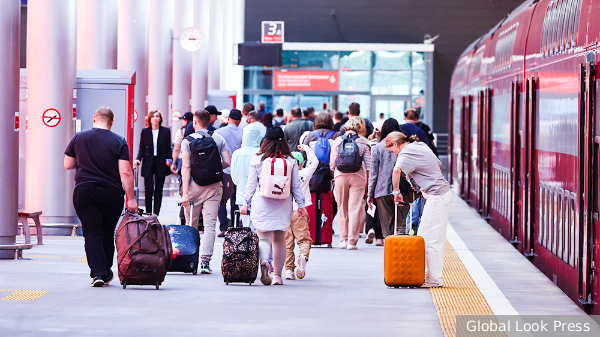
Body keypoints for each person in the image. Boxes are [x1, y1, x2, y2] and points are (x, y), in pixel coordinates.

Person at [64, 106, 137, 287]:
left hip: (85, 191)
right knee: (107, 232)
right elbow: (125, 172)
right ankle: (105, 272)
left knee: (91, 232)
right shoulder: (119, 141)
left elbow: (67, 164)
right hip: (112, 193)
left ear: (94, 118)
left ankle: (98, 273)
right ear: (111, 122)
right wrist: (131, 199)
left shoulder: (79, 137)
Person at [240, 127, 307, 285]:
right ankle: (277, 275)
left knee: (263, 238)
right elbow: (296, 186)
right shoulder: (290, 161)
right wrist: (302, 205)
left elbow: (250, 184)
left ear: (266, 141)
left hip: (261, 202)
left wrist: (245, 203)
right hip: (283, 204)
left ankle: (264, 262)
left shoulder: (258, 159)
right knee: (279, 240)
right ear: (283, 141)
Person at [386, 131, 451, 287]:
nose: (394, 155)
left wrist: (396, 192)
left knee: (427, 238)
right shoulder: (419, 145)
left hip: (437, 196)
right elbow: (438, 163)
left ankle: (433, 279)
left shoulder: (406, 152)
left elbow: (396, 171)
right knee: (432, 237)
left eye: (392, 151)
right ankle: (431, 276)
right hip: (440, 194)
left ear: (395, 144)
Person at [181, 110, 231, 274]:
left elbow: (186, 167)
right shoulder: (218, 138)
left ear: (194, 122)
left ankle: (191, 261)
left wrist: (185, 193)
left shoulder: (187, 141)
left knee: (192, 225)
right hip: (214, 186)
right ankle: (205, 263)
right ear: (209, 122)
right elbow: (227, 162)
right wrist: (214, 169)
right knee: (210, 226)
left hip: (193, 187)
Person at [330, 117, 371, 250]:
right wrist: (367, 183)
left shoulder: (337, 141)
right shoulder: (364, 142)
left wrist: (335, 176)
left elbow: (332, 164)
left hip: (340, 176)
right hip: (358, 176)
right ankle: (352, 242)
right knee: (355, 208)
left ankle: (343, 239)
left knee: (342, 207)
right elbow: (369, 166)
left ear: (346, 128)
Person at [285, 144, 318, 280]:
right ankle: (303, 256)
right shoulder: (304, 173)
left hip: (285, 212)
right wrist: (306, 148)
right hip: (300, 212)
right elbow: (315, 161)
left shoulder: (285, 174)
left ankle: (288, 271)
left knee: (287, 243)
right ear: (301, 164)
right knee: (304, 239)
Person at [367, 118, 404, 242]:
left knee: (387, 227)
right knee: (401, 224)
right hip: (401, 189)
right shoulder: (403, 146)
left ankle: (389, 250)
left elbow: (373, 173)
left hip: (381, 190)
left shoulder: (378, 147)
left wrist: (370, 194)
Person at [133, 110, 172, 215]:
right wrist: (138, 159)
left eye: (157, 116)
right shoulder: (145, 132)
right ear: (149, 119)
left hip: (160, 162)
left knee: (159, 189)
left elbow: (168, 148)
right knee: (149, 188)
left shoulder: (165, 131)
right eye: (153, 116)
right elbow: (141, 148)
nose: (155, 118)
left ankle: (156, 213)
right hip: (148, 162)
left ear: (160, 119)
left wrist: (169, 159)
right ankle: (148, 212)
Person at [214, 109, 244, 237]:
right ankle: (234, 226)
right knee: (235, 200)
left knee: (222, 200)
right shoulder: (244, 133)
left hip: (224, 170)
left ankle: (224, 227)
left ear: (229, 119)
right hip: (238, 171)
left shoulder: (219, 132)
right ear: (240, 121)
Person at [231, 123, 263, 229]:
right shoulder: (261, 153)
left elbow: (234, 177)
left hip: (242, 194)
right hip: (260, 195)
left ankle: (249, 245)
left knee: (246, 226)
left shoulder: (237, 153)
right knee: (259, 225)